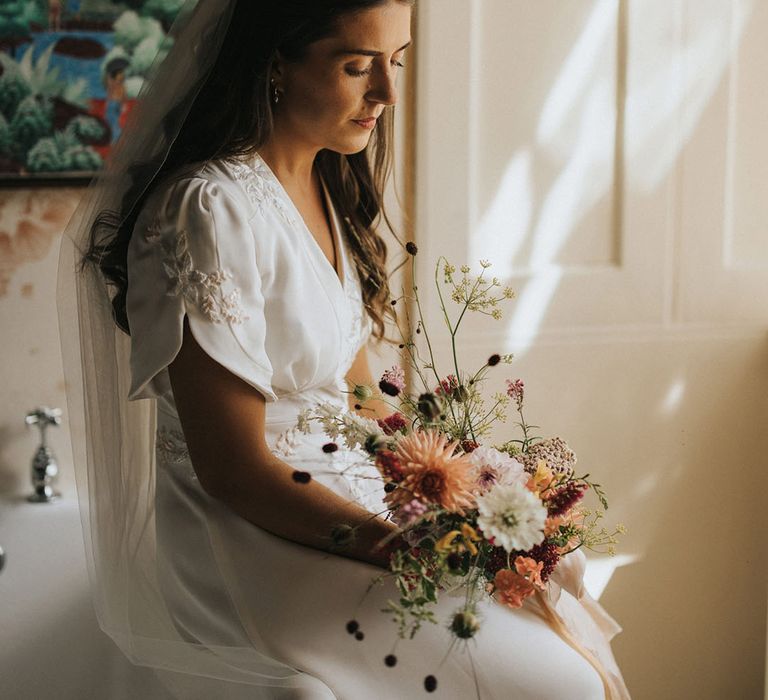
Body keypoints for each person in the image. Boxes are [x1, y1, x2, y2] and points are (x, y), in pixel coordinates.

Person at [57, 1, 631, 698]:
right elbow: (233, 469)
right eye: (358, 66)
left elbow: (365, 406)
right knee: (555, 683)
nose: (387, 94)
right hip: (259, 538)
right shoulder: (208, 207)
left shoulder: (321, 182)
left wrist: (465, 493)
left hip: (350, 501)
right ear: (275, 65)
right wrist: (406, 548)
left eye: (397, 60)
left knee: (559, 626)